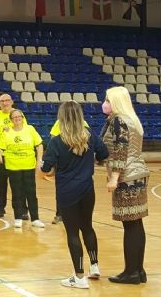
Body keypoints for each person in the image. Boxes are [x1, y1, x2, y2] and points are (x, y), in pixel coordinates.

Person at [41, 101, 109, 290]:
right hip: (88, 190)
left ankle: (79, 276)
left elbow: (46, 168)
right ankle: (94, 266)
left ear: (61, 117)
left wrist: (45, 166)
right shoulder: (89, 136)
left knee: (72, 232)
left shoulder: (56, 141)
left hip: (67, 191)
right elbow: (104, 153)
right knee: (87, 226)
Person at [102, 86, 149, 285]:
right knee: (136, 223)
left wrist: (114, 177)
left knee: (130, 225)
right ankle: (138, 270)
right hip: (138, 174)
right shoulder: (133, 120)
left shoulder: (119, 120)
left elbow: (120, 151)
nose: (104, 103)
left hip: (126, 177)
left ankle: (130, 272)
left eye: (107, 99)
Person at [0, 109, 45, 228]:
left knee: (31, 193)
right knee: (16, 193)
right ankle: (18, 218)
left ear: (22, 118)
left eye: (19, 116)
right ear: (11, 120)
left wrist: (39, 161)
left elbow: (39, 145)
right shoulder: (7, 132)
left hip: (28, 166)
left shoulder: (30, 129)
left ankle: (35, 218)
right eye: (15, 117)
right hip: (13, 167)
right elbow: (0, 147)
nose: (17, 119)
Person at [48, 118, 91, 225]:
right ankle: (60, 214)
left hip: (79, 160)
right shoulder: (60, 122)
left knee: (81, 187)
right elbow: (53, 137)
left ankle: (79, 214)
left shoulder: (83, 122)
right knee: (61, 188)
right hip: (64, 160)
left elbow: (88, 139)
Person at [0, 93, 23, 219]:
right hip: (0, 155)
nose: (5, 103)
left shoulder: (18, 114)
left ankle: (22, 209)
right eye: (2, 101)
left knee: (18, 184)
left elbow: (23, 131)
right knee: (0, 184)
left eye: (7, 100)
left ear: (12, 102)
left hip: (15, 154)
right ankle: (0, 208)